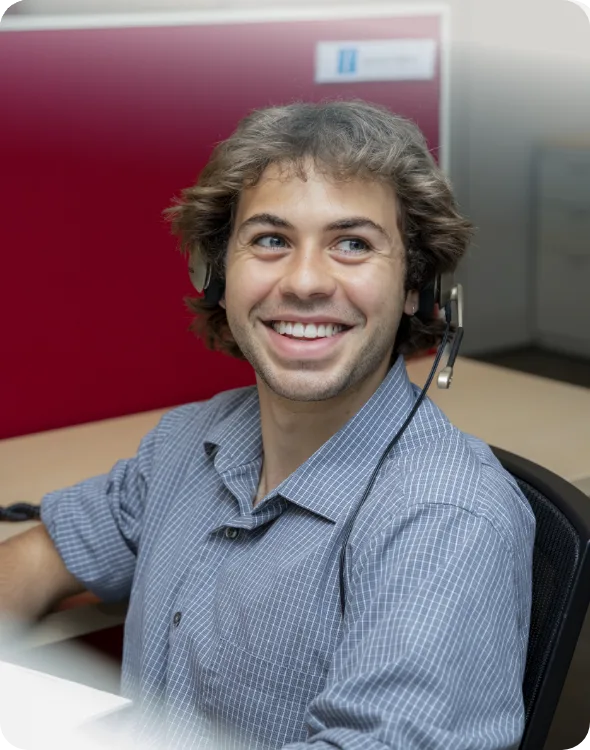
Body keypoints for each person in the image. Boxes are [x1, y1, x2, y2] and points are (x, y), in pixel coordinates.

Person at [0, 100, 535, 750]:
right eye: (272, 240)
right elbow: (40, 558)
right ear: (215, 276)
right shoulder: (189, 443)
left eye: (352, 243)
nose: (306, 281)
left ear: (417, 287)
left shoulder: (441, 523)